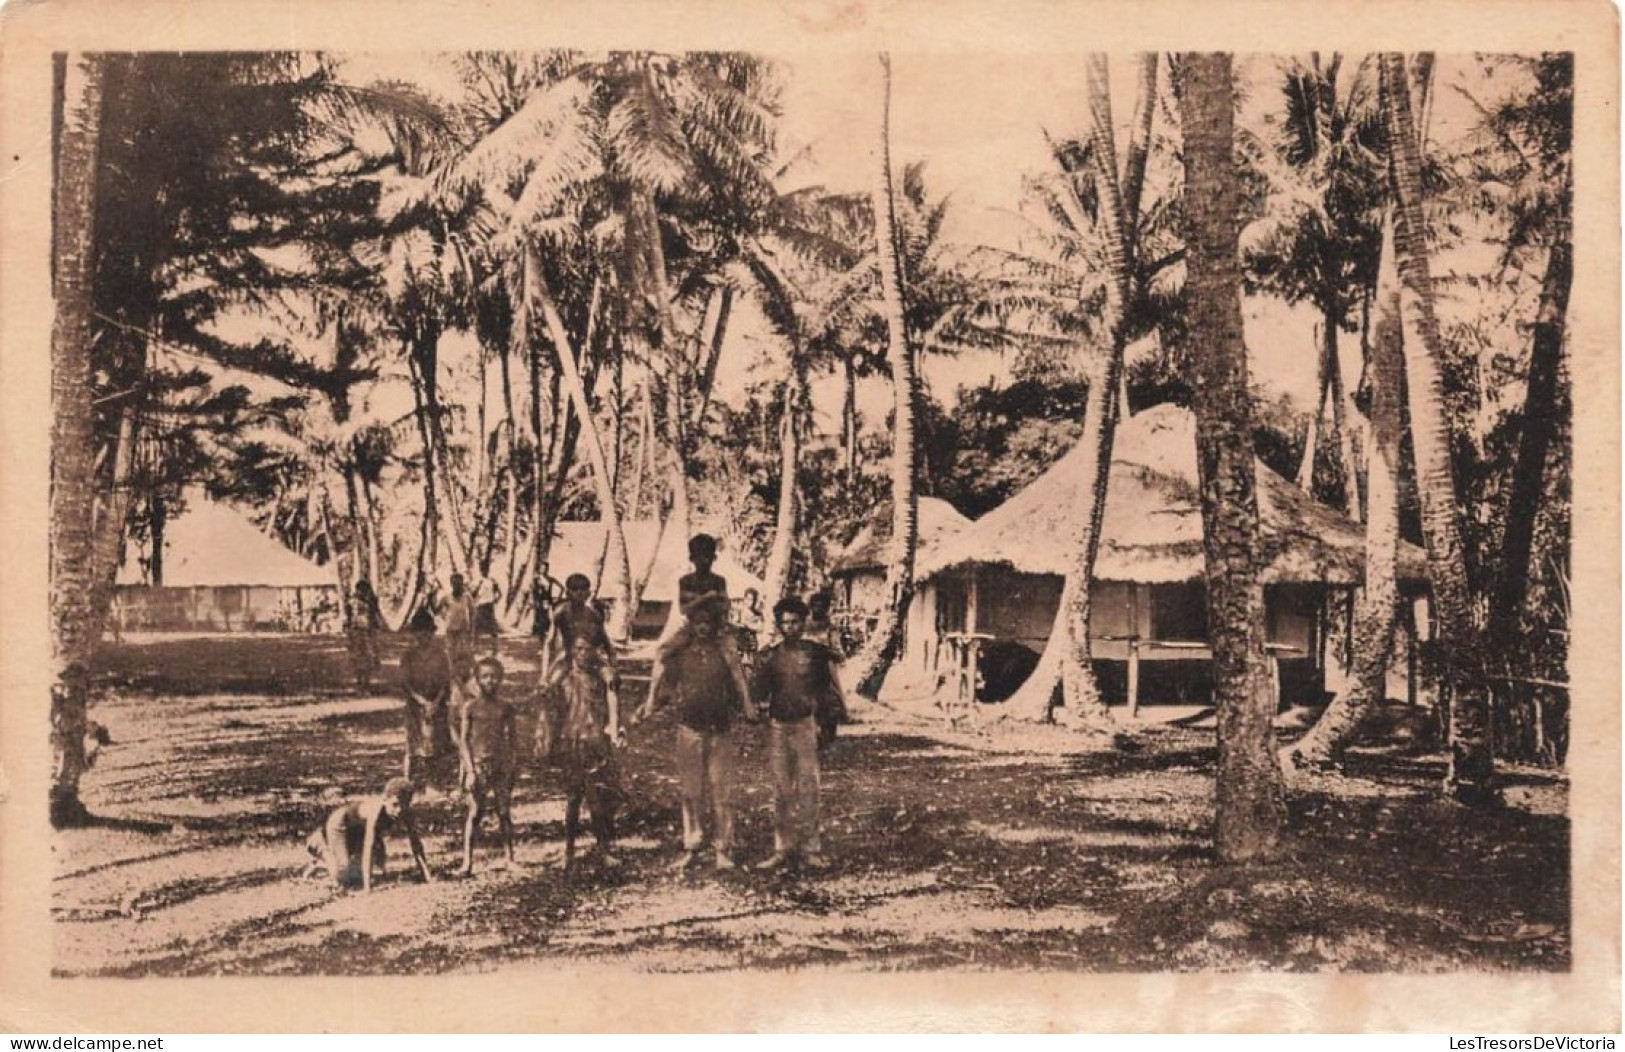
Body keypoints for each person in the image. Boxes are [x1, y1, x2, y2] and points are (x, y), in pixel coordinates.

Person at [636, 596, 754, 871]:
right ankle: (692, 845)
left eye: (708, 623)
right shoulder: (681, 655)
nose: (703, 628)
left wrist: (747, 706)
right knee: (690, 792)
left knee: (721, 793)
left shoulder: (725, 652)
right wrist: (649, 705)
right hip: (689, 729)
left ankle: (723, 850)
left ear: (714, 625)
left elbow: (739, 680)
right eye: (698, 623)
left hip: (719, 729)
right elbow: (665, 682)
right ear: (692, 625)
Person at [750, 597, 848, 871]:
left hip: (806, 725)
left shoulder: (816, 654)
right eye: (785, 623)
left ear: (803, 623)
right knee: (781, 790)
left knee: (809, 788)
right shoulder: (770, 655)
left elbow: (826, 692)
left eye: (795, 622)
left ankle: (811, 849)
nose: (790, 627)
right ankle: (782, 848)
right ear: (779, 625)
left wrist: (826, 726)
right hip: (780, 727)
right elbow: (759, 693)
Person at [541, 636, 624, 869]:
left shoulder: (601, 679)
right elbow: (552, 710)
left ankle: (604, 849)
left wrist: (616, 730)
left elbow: (613, 705)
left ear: (594, 651)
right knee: (573, 799)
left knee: (598, 799)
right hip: (572, 743)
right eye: (577, 649)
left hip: (595, 741)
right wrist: (550, 740)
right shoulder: (563, 678)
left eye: (586, 649)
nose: (581, 653)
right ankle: (568, 850)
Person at [303, 777, 434, 892]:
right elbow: (368, 847)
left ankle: (331, 861)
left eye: (404, 805)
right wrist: (367, 888)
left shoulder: (406, 812)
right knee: (343, 874)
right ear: (385, 799)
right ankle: (319, 847)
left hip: (358, 830)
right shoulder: (375, 811)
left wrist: (427, 876)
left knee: (363, 873)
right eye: (394, 805)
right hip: (339, 824)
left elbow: (416, 845)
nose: (399, 810)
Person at [457, 656, 516, 876]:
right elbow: (463, 740)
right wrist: (469, 770)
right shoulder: (470, 707)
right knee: (474, 813)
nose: (490, 681)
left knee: (504, 812)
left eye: (494, 676)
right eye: (485, 676)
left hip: (500, 765)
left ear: (501, 679)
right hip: (478, 766)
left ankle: (510, 858)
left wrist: (511, 765)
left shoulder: (506, 707)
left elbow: (513, 740)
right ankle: (467, 862)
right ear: (477, 679)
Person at [399, 609, 456, 790]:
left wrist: (436, 702)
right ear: (414, 634)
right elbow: (405, 683)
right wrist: (422, 701)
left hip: (437, 705)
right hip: (415, 706)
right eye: (419, 632)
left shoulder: (441, 654)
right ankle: (409, 783)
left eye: (427, 632)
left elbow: (445, 682)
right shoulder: (408, 655)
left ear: (432, 632)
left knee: (436, 745)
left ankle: (434, 782)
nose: (423, 636)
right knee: (414, 746)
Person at [543, 573, 615, 680]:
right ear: (568, 593)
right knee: (551, 684)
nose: (579, 593)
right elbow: (549, 642)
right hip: (568, 657)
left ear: (588, 593)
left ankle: (612, 696)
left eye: (583, 589)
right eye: (575, 589)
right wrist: (544, 674)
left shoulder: (593, 615)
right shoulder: (562, 612)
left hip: (591, 657)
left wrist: (613, 666)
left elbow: (607, 643)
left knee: (611, 682)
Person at [347, 580, 384, 691]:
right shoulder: (352, 601)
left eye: (364, 590)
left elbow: (376, 615)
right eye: (360, 590)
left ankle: (366, 682)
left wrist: (377, 627)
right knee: (358, 658)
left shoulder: (371, 601)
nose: (361, 592)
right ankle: (360, 682)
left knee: (368, 657)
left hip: (369, 631)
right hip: (357, 631)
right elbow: (349, 617)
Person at [442, 573, 476, 681]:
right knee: (450, 651)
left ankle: (466, 674)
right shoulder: (447, 597)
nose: (457, 585)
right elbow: (438, 608)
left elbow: (472, 612)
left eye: (459, 583)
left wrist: (472, 629)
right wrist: (444, 617)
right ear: (451, 584)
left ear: (462, 584)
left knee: (464, 651)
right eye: (454, 583)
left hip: (463, 628)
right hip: (450, 628)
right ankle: (451, 674)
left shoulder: (467, 597)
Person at [472, 570, 502, 653]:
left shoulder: (492, 581)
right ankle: (476, 647)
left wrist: (495, 600)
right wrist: (478, 586)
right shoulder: (478, 581)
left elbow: (499, 593)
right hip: (481, 605)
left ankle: (495, 648)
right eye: (482, 568)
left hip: (488, 605)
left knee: (492, 628)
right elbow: (473, 594)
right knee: (476, 627)